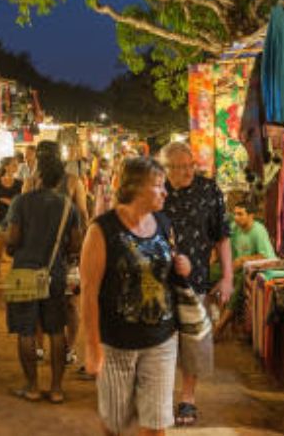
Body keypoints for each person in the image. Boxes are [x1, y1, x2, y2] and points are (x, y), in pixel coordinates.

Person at [81, 157, 191, 436]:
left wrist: (183, 266)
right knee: (115, 424)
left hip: (162, 339)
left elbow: (170, 271)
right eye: (158, 186)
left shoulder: (165, 223)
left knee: (156, 424)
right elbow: (89, 293)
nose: (165, 191)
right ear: (135, 188)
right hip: (116, 343)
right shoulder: (102, 230)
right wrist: (93, 348)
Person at [159, 141, 232, 427]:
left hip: (197, 279)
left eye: (190, 165)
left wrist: (227, 278)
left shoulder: (208, 190)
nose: (187, 172)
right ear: (165, 169)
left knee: (193, 342)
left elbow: (222, 236)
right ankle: (160, 395)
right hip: (157, 281)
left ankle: (188, 398)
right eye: (178, 167)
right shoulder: (156, 189)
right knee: (159, 342)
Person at [4, 151, 83, 404]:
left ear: (37, 175)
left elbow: (13, 239)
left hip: (25, 271)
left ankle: (32, 386)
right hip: (55, 274)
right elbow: (75, 244)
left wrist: (10, 246)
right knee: (56, 330)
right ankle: (57, 389)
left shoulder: (21, 202)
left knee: (26, 331)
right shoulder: (67, 205)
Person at [213, 189, 277, 337]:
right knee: (209, 273)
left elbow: (265, 257)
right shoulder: (234, 227)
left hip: (260, 269)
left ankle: (220, 326)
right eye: (235, 213)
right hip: (237, 267)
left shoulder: (258, 231)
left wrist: (242, 261)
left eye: (240, 214)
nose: (236, 217)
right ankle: (210, 317)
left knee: (240, 280)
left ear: (251, 216)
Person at [0, 156, 22, 275]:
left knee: (16, 245)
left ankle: (13, 271)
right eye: (13, 164)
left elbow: (19, 200)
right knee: (0, 244)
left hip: (15, 217)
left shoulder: (19, 183)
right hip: (2, 216)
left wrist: (5, 200)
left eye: (16, 164)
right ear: (6, 167)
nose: (16, 167)